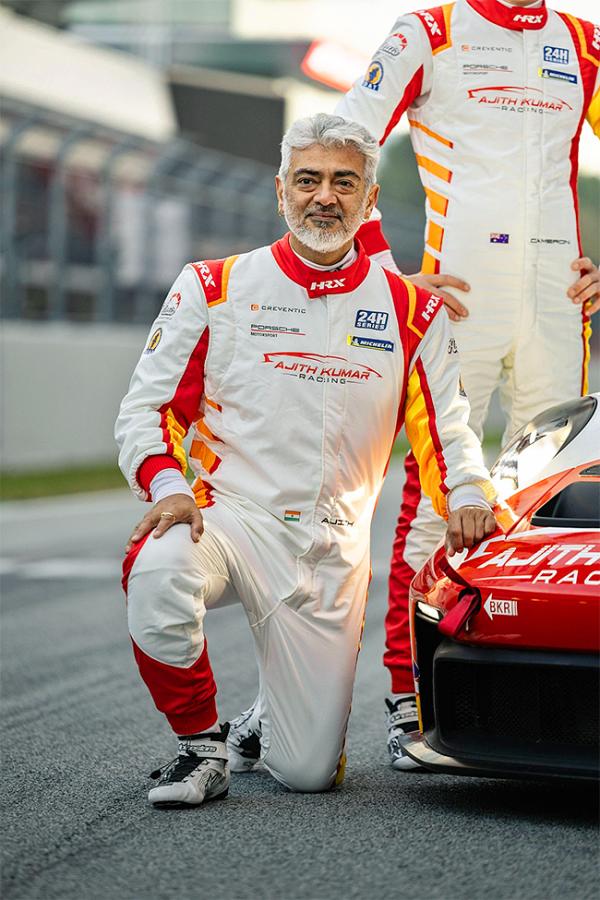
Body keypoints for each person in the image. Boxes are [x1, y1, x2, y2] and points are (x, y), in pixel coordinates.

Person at [115, 113, 497, 808]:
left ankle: (264, 726)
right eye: (308, 180)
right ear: (280, 191)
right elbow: (146, 410)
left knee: (309, 774)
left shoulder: (414, 311)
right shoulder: (213, 285)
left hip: (330, 553)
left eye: (344, 182)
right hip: (231, 524)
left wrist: (469, 492)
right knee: (157, 565)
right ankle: (200, 747)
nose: (325, 196)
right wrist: (167, 483)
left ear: (370, 200)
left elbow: (450, 430)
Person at [334, 0, 600, 769]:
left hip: (558, 305)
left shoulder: (581, 42)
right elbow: (346, 138)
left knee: (560, 506)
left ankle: (546, 699)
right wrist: (386, 275)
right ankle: (406, 697)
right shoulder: (431, 31)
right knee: (437, 498)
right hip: (454, 303)